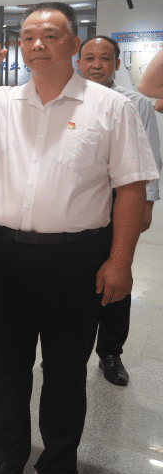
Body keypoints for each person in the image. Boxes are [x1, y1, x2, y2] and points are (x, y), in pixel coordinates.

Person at [0, 3, 157, 474]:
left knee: (65, 369)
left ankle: (58, 465)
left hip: (75, 256)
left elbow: (131, 187)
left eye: (51, 35)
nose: (37, 43)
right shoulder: (2, 101)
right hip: (4, 252)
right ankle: (7, 453)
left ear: (74, 45)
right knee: (6, 364)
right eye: (28, 35)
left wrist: (120, 261)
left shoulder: (109, 107)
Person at [76, 35, 161, 386]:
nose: (96, 65)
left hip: (121, 199)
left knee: (117, 272)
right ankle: (68, 350)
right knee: (74, 278)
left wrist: (147, 203)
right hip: (78, 199)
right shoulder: (67, 100)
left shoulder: (136, 103)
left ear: (117, 63)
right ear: (78, 63)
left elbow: (150, 156)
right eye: (89, 58)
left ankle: (110, 351)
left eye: (105, 58)